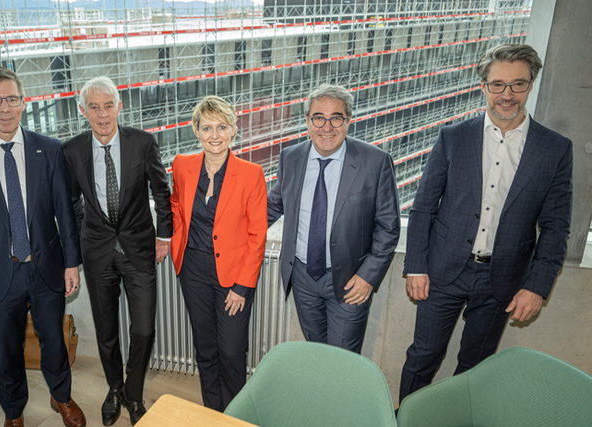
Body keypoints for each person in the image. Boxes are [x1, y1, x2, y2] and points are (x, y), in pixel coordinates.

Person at [399, 43, 573, 402]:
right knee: (423, 356)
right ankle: (407, 420)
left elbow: (556, 227)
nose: (506, 94)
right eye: (497, 84)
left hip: (504, 279)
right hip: (442, 271)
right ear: (483, 85)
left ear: (532, 83)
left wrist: (537, 287)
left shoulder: (555, 149)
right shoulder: (453, 138)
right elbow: (424, 207)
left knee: (475, 367)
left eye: (518, 84)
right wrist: (415, 265)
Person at [0, 67, 86, 427]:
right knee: (7, 352)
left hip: (46, 268)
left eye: (11, 99)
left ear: (24, 103)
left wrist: (72, 262)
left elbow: (64, 213)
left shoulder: (50, 149)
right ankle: (14, 413)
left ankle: (61, 397)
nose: (4, 108)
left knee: (53, 341)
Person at [63, 76, 172, 426]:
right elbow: (69, 201)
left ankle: (134, 393)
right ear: (83, 111)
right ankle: (114, 388)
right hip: (98, 254)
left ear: (119, 107)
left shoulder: (142, 142)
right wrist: (86, 233)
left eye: (108, 105)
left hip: (139, 249)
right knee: (107, 332)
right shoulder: (72, 150)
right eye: (93, 107)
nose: (102, 113)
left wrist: (164, 236)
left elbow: (161, 191)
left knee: (143, 330)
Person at [267, 84, 400, 353]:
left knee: (343, 358)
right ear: (307, 121)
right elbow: (272, 206)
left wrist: (367, 277)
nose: (327, 127)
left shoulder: (375, 161)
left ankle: (341, 396)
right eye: (318, 118)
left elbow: (388, 228)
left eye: (336, 118)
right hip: (303, 277)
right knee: (316, 351)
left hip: (350, 280)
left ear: (348, 120)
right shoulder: (290, 157)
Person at [170, 96, 268, 411]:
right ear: (196, 131)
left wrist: (242, 286)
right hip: (193, 269)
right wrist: (175, 244)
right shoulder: (182, 165)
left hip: (234, 275)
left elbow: (257, 235)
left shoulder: (251, 174)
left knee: (231, 351)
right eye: (208, 128)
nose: (215, 135)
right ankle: (213, 412)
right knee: (205, 348)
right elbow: (175, 206)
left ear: (233, 131)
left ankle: (234, 414)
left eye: (222, 127)